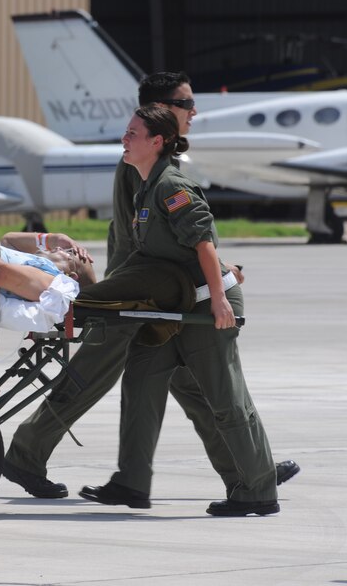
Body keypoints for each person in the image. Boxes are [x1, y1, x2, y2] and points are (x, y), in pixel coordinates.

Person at [1, 72, 299, 503]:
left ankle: (237, 475)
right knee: (92, 379)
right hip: (135, 295)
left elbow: (188, 239)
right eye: (185, 103)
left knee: (183, 385)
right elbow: (134, 239)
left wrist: (213, 274)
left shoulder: (162, 172)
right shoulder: (139, 169)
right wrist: (112, 299)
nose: (193, 111)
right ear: (163, 111)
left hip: (155, 294)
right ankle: (30, 454)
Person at [82, 104, 280, 516]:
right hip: (174, 305)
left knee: (224, 398)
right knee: (140, 376)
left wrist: (221, 297)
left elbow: (203, 242)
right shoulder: (145, 186)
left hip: (207, 304)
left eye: (132, 133)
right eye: (126, 131)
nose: (124, 138)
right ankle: (132, 482)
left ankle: (259, 490)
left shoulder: (170, 185)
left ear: (157, 141)